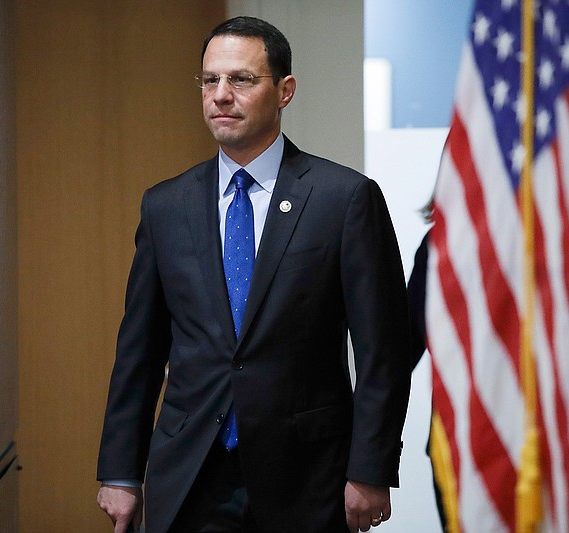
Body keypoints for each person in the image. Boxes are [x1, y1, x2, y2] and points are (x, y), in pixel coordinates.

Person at [96, 16, 411, 533]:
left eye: (241, 80)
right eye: (210, 80)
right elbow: (139, 351)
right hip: (191, 471)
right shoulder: (165, 206)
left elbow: (383, 352)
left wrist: (371, 468)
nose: (221, 95)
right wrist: (120, 471)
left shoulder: (344, 199)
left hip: (308, 476)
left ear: (285, 91)